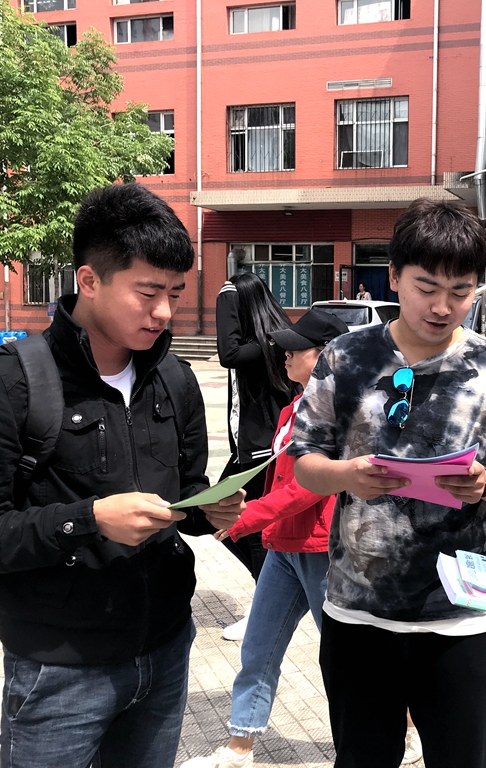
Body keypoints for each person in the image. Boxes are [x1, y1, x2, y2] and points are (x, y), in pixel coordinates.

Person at [0, 184, 245, 768]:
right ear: (89, 280)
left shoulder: (174, 380)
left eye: (175, 294)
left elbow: (184, 494)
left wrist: (209, 510)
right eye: (147, 293)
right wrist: (89, 520)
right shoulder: (6, 383)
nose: (164, 312)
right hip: (58, 668)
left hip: (165, 648)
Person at [291, 198, 486, 768]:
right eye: (426, 287)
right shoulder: (346, 357)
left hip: (464, 614)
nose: (442, 306)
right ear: (393, 276)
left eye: (461, 291)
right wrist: (347, 476)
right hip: (360, 613)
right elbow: (304, 462)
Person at [182, 308, 348, 768]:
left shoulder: (342, 413)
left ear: (327, 356)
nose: (285, 355)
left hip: (320, 551)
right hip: (282, 549)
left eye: (297, 349)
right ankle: (239, 749)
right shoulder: (292, 408)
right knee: (258, 648)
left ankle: (399, 730)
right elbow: (278, 480)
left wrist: (248, 518)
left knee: (344, 660)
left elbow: (311, 487)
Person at [215, 272, 298, 639]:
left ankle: (264, 608)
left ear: (241, 305)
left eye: (231, 303)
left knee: (248, 528)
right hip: (246, 449)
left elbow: (226, 354)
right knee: (214, 516)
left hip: (264, 451)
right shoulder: (259, 344)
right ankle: (273, 591)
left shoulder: (268, 344)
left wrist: (226, 295)